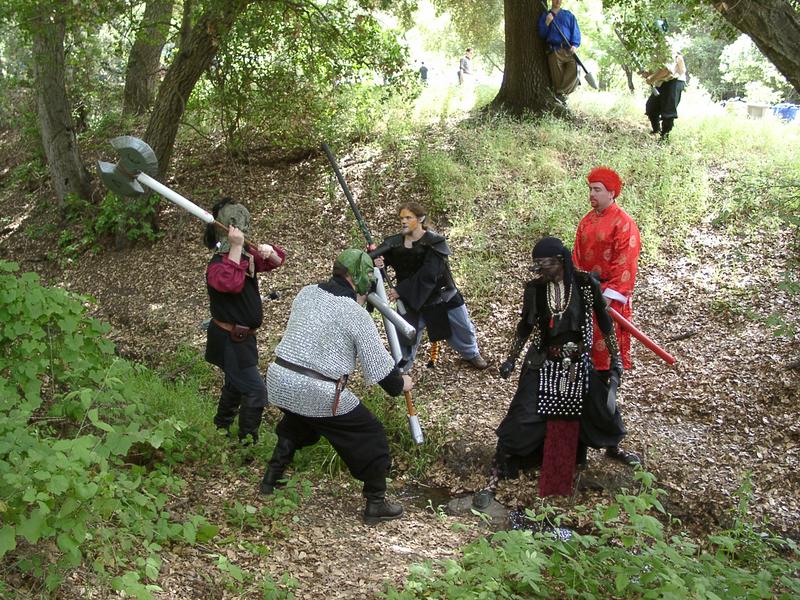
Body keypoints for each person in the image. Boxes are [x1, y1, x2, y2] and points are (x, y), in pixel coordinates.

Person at [473, 237, 636, 508]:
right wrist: (511, 359)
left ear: (560, 261)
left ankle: (613, 447)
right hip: (544, 360)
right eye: (536, 265)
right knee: (521, 416)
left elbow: (604, 321)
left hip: (577, 361)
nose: (539, 270)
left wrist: (615, 358)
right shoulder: (536, 289)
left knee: (601, 408)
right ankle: (494, 477)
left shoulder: (585, 285)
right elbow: (525, 326)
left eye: (543, 264)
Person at [259, 249, 413, 524]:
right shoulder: (354, 314)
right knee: (371, 433)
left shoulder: (307, 292)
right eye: (368, 274)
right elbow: (381, 372)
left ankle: (271, 478)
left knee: (299, 420)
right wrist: (401, 383)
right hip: (315, 389)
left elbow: (328, 327)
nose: (371, 280)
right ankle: (376, 502)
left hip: (279, 379)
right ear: (357, 277)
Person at [204, 198, 286, 445]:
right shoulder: (217, 265)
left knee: (234, 384)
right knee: (255, 391)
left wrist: (270, 251)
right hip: (228, 339)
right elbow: (230, 283)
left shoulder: (244, 257)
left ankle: (220, 429)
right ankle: (247, 445)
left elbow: (277, 261)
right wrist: (236, 247)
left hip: (242, 340)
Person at [371, 202, 488, 371]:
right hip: (410, 299)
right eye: (401, 218)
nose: (403, 221)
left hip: (441, 295)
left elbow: (429, 273)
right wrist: (378, 263)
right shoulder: (394, 243)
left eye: (408, 217)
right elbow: (376, 265)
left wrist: (400, 290)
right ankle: (402, 370)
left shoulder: (435, 243)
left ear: (420, 219)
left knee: (463, 328)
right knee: (404, 336)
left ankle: (471, 353)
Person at [573, 167, 640, 378]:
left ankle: (607, 386)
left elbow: (625, 264)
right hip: (586, 293)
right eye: (590, 189)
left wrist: (606, 299)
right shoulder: (586, 221)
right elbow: (577, 258)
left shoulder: (624, 223)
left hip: (609, 297)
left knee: (607, 355)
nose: (592, 194)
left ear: (611, 193)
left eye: (597, 189)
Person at [538, 0, 582, 102]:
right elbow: (542, 34)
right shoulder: (546, 15)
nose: (558, 1)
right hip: (554, 50)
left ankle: (559, 93)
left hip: (568, 50)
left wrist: (574, 45)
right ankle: (561, 97)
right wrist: (547, 22)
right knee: (557, 79)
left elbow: (575, 32)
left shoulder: (569, 15)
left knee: (576, 68)